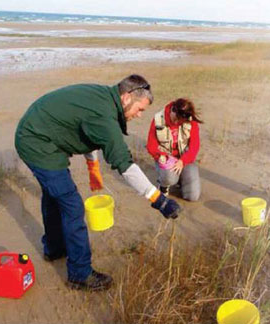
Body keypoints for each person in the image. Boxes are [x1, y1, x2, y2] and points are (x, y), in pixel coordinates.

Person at [15, 74, 181, 291]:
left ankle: (54, 248)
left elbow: (89, 133)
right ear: (126, 97)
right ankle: (80, 274)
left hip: (39, 133)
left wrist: (93, 167)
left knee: (53, 194)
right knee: (72, 205)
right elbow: (125, 165)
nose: (139, 115)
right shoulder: (104, 115)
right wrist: (158, 199)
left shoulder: (103, 98)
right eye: (139, 109)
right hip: (37, 143)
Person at [146, 98, 203, 201]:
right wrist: (161, 157)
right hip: (166, 158)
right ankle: (163, 185)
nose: (177, 123)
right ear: (173, 110)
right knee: (170, 177)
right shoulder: (158, 119)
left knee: (193, 197)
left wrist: (183, 161)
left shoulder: (190, 120)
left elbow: (194, 146)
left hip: (184, 158)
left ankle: (181, 180)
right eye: (176, 119)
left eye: (181, 121)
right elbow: (151, 145)